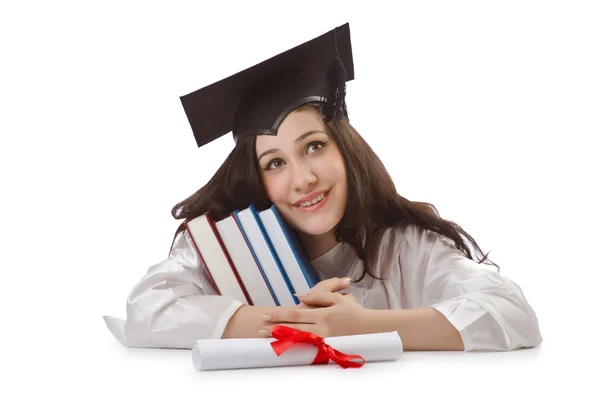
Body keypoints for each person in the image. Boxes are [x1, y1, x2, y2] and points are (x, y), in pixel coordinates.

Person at [103, 23, 542, 352]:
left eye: (313, 146)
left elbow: (512, 312)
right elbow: (146, 309)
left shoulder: (405, 248)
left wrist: (362, 325)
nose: (303, 178)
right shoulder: (229, 251)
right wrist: (294, 322)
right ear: (257, 179)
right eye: (275, 163)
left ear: (346, 150)